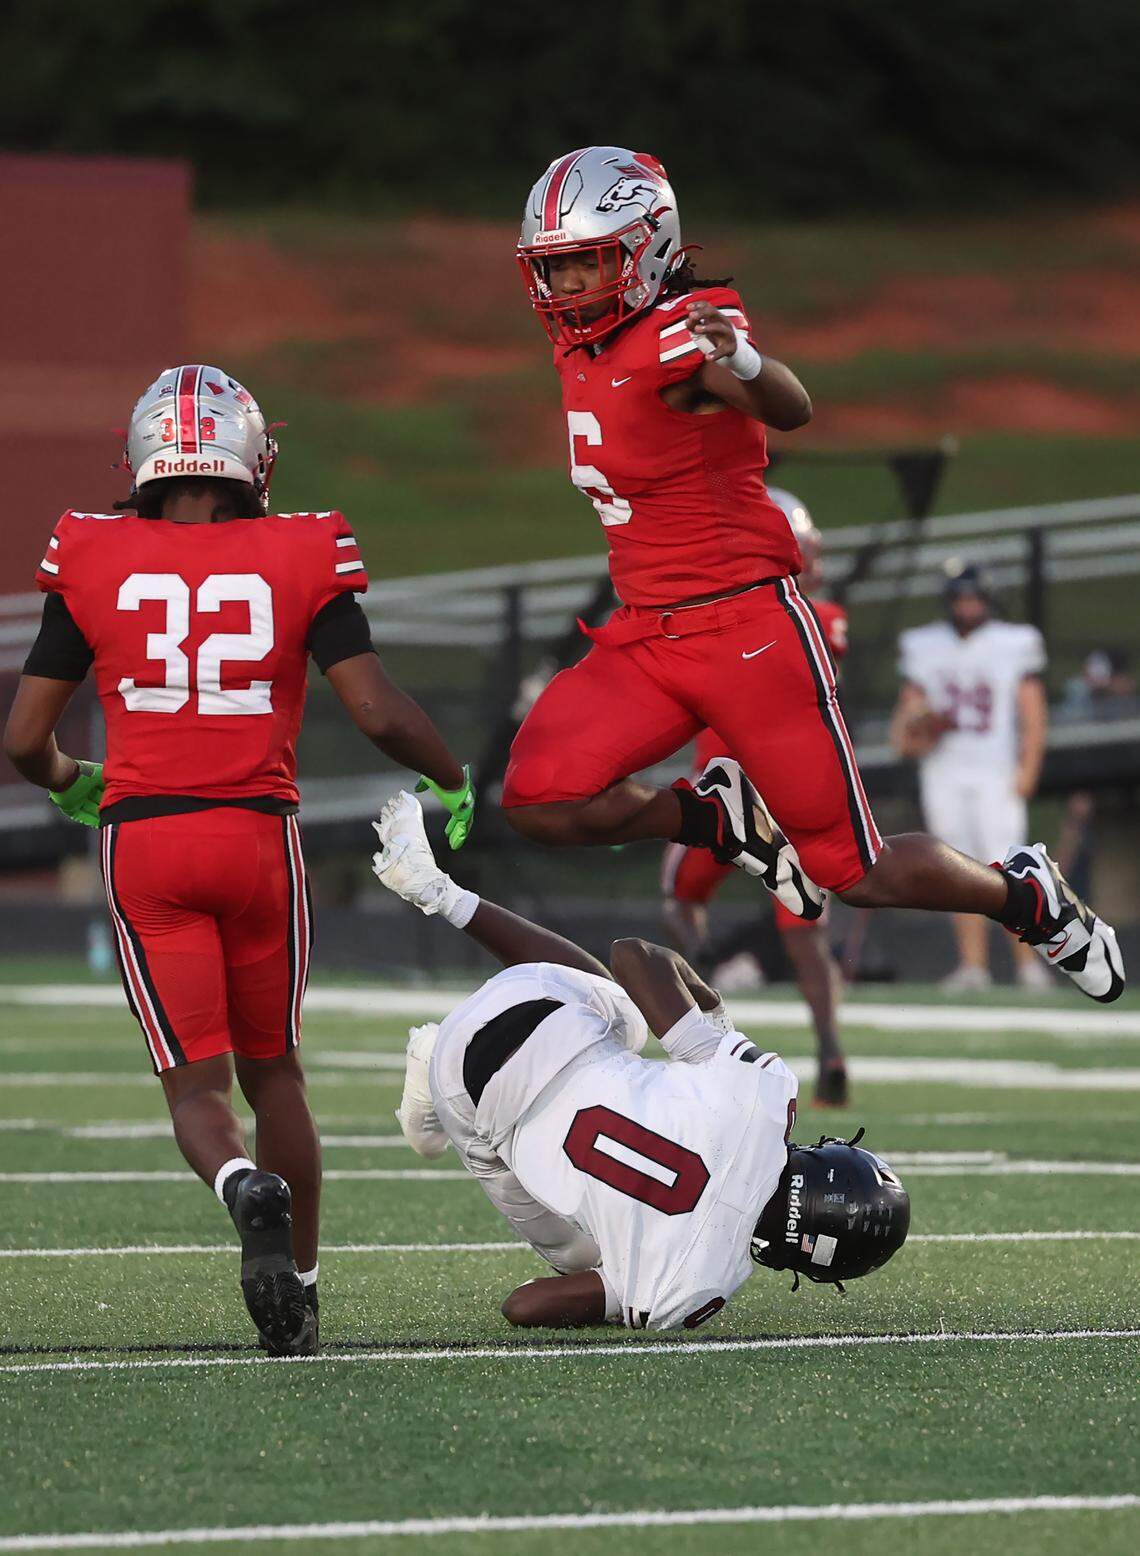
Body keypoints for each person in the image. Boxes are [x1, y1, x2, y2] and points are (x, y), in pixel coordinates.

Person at [504, 145, 1123, 1004]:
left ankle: (1025, 897)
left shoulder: (689, 324)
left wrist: (749, 365)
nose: (567, 286)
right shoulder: (585, 346)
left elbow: (788, 406)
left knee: (852, 870)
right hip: (647, 633)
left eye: (585, 262)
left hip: (745, 631)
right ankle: (719, 817)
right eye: (554, 267)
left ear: (647, 247)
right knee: (538, 797)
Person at [2, 365, 475, 1354]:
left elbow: (21, 738)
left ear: (142, 459)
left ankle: (235, 1183)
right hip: (259, 838)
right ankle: (299, 1290)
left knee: (196, 1090)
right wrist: (454, 779)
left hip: (148, 839)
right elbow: (380, 709)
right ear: (249, 459)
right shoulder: (303, 547)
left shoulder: (91, 549)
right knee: (277, 1077)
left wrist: (68, 777)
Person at [372, 792, 910, 1331]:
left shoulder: (767, 1094)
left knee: (627, 1015)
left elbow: (632, 955)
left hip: (533, 1002)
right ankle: (431, 1073)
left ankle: (438, 890)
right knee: (586, 1258)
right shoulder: (692, 1290)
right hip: (465, 1089)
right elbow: (523, 1305)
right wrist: (629, 1279)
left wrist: (714, 1012)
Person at [660, 489, 851, 1105]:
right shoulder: (814, 616)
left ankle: (715, 1010)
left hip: (722, 789)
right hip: (788, 787)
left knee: (681, 900)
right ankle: (829, 1050)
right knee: (803, 930)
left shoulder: (721, 613)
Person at [891, 562, 1050, 992]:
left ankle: (1028, 965)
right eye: (961, 598)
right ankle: (973, 966)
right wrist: (919, 727)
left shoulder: (1013, 642)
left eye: (974, 597)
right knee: (957, 872)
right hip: (944, 772)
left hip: (994, 771)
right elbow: (907, 720)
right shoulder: (925, 645)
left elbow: (1031, 709)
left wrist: (1028, 767)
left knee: (1011, 868)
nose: (967, 606)